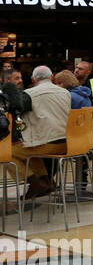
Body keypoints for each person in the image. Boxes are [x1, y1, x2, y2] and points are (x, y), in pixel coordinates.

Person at [9, 66, 71, 203]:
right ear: (52, 77)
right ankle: (46, 182)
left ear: (32, 79)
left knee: (6, 153)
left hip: (47, 144)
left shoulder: (29, 94)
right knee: (31, 151)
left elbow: (14, 112)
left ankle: (33, 182)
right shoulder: (65, 92)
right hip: (68, 143)